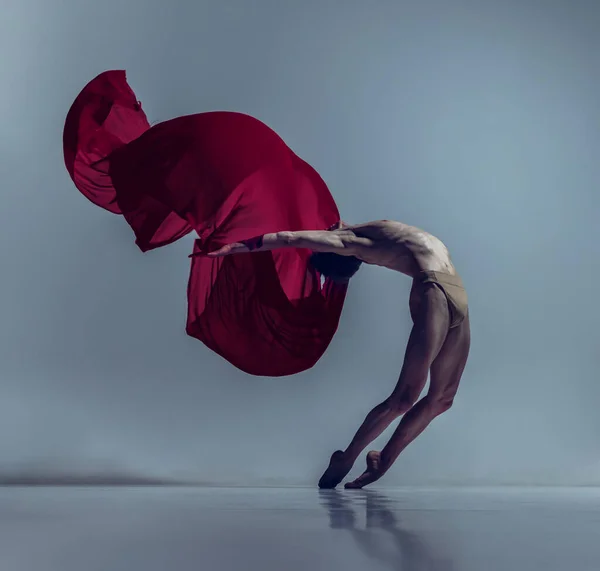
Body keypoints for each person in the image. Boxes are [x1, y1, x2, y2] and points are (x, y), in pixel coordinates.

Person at [207, 219, 471, 489]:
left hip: (456, 292)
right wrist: (233, 248)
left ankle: (383, 460)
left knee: (442, 400)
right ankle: (346, 458)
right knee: (404, 398)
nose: (330, 224)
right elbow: (287, 238)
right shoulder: (349, 243)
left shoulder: (378, 232)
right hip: (434, 290)